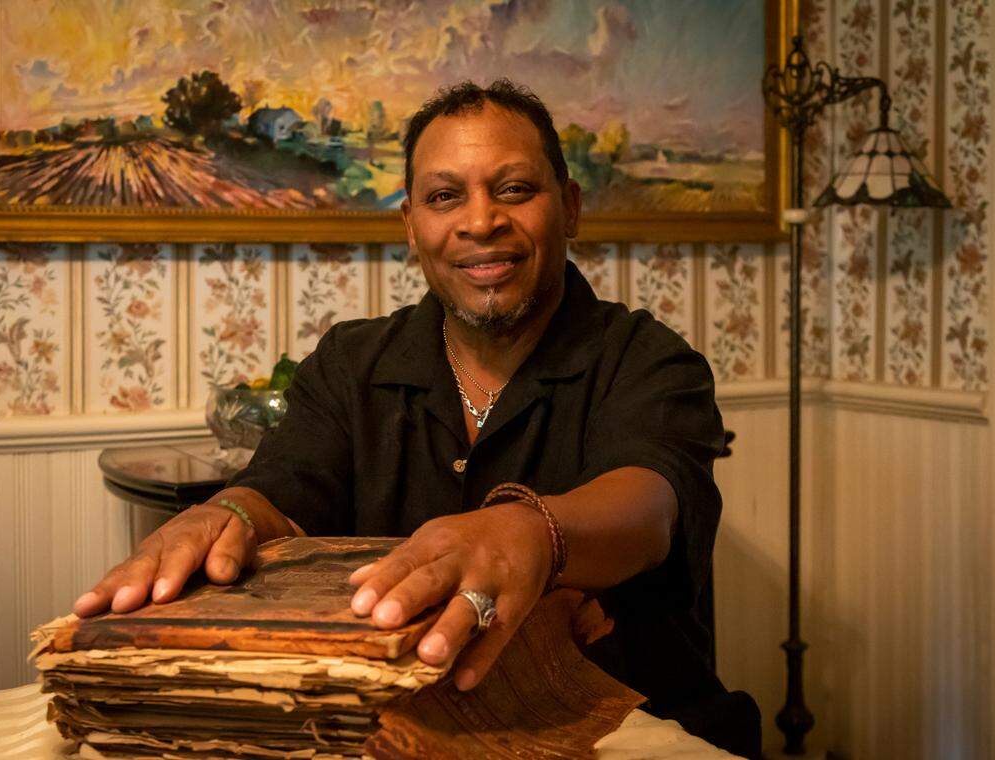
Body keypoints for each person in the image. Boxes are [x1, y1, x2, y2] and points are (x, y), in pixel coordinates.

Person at [73, 79, 760, 757]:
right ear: (411, 226)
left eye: (515, 189)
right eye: (444, 196)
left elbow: (650, 506)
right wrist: (231, 514)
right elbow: (283, 488)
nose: (480, 220)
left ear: (570, 208)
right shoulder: (352, 361)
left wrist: (535, 533)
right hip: (390, 736)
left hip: (621, 730)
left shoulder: (647, 357)